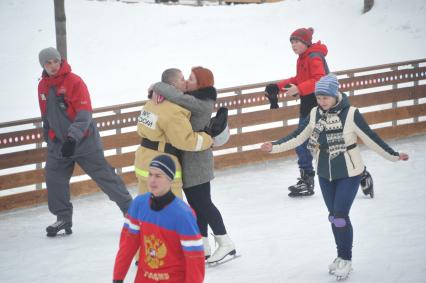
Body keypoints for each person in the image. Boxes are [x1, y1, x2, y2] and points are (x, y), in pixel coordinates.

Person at [261, 74, 409, 280]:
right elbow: (298, 135)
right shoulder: (314, 113)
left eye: (326, 98)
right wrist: (274, 146)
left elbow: (371, 137)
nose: (322, 102)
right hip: (324, 172)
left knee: (340, 216)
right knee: (334, 218)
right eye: (319, 97)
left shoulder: (351, 113)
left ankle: (346, 259)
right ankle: (340, 256)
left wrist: (393, 155)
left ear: (335, 95)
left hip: (349, 171)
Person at [37, 47, 132, 237]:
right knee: (54, 178)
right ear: (43, 65)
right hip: (59, 144)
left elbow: (84, 114)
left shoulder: (74, 81)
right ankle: (63, 218)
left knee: (105, 177)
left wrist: (73, 137)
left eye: (55, 61)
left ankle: (132, 213)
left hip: (84, 141)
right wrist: (49, 136)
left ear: (60, 61)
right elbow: (46, 115)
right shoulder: (43, 87)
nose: (53, 65)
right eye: (48, 63)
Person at [152, 67, 236, 263]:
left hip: (198, 160)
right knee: (196, 205)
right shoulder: (194, 97)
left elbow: (177, 97)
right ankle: (203, 245)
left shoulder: (202, 102)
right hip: (190, 159)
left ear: (201, 83)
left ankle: (225, 242)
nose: (187, 81)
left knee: (204, 204)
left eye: (191, 79)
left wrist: (157, 85)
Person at [113, 155, 205, 283]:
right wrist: (117, 277)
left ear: (170, 179)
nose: (152, 180)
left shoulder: (183, 215)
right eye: (150, 174)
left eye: (158, 176)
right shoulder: (139, 204)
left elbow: (195, 259)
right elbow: (127, 245)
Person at [264, 27, 328, 197]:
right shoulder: (302, 58)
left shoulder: (314, 57)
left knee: (329, 145)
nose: (293, 45)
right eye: (291, 42)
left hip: (321, 107)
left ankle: (360, 174)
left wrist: (299, 88)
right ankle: (306, 180)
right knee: (302, 144)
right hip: (308, 106)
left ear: (306, 42)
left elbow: (319, 79)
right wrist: (277, 87)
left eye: (297, 41)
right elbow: (299, 79)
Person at [134, 68, 214, 200]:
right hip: (163, 167)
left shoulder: (150, 103)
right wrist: (208, 139)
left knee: (145, 208)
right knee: (173, 211)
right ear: (172, 86)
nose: (186, 82)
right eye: (182, 79)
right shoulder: (173, 110)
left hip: (143, 162)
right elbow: (185, 141)